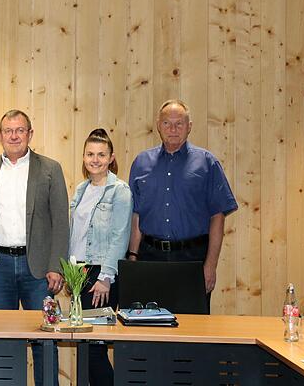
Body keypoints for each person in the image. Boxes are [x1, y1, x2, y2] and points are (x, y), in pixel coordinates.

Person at [126, 99, 238, 309]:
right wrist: (133, 257)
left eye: (180, 123)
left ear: (189, 127)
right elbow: (136, 215)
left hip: (193, 259)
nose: (173, 129)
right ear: (159, 126)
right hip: (150, 259)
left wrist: (210, 266)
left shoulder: (207, 163)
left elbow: (218, 216)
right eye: (167, 123)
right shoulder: (141, 163)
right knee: (149, 332)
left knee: (193, 331)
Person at [0, 109, 69, 386]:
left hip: (38, 269)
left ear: (30, 134)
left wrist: (56, 266)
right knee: (1, 339)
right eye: (8, 131)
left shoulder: (50, 169)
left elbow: (60, 221)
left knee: (45, 337)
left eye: (20, 130)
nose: (14, 136)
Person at [69, 128, 132, 386]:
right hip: (80, 273)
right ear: (84, 157)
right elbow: (75, 233)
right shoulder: (81, 189)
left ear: (111, 157)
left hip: (101, 275)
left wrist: (106, 277)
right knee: (84, 345)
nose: (95, 159)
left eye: (101, 155)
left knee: (94, 346)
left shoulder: (120, 191)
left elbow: (120, 236)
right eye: (90, 154)